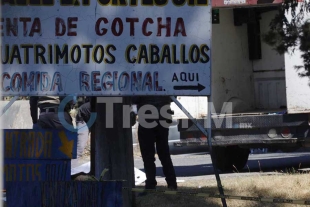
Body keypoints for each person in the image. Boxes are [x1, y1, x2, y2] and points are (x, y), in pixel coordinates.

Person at [132, 96, 177, 192]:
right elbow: (173, 96)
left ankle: (151, 185)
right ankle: (172, 183)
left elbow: (134, 98)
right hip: (163, 116)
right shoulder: (164, 81)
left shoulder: (142, 82)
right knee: (164, 153)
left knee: (148, 155)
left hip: (147, 117)